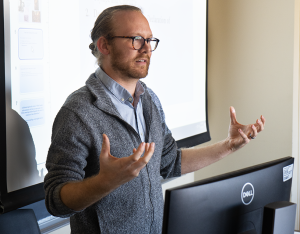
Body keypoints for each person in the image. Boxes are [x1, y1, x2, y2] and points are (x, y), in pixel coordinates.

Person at [44, 5, 265, 234]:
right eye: (136, 39)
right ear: (104, 45)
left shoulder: (148, 100)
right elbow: (55, 201)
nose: (146, 49)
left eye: (150, 40)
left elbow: (170, 161)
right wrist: (105, 181)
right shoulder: (78, 111)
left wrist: (229, 146)